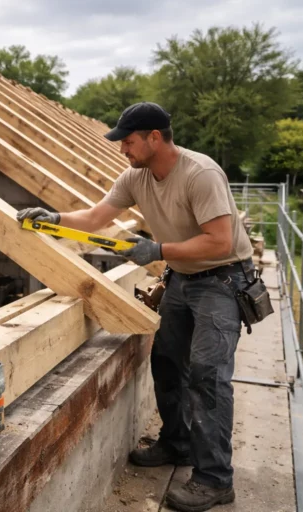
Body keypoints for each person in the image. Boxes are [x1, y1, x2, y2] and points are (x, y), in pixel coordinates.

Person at [17, 102, 254, 512]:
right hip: (182, 278)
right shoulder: (135, 176)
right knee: (165, 361)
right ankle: (178, 444)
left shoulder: (201, 174)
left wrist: (157, 249)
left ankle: (215, 479)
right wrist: (52, 217)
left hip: (222, 279)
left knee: (207, 375)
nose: (122, 150)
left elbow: (220, 241)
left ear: (154, 137)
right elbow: (94, 218)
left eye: (128, 141)